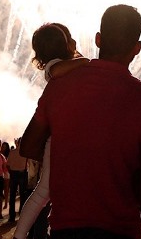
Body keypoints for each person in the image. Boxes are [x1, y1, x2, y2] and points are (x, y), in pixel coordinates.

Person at [20, 4, 141, 239]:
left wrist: (69, 155)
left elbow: (28, 146)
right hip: (121, 229)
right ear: (137, 48)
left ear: (98, 40)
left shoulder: (59, 86)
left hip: (65, 230)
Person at [13, 22, 89, 239]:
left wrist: (76, 53)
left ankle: (24, 234)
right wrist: (83, 60)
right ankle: (19, 235)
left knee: (45, 193)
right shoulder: (55, 66)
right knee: (43, 193)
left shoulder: (67, 65)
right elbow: (58, 70)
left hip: (61, 138)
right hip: (58, 139)